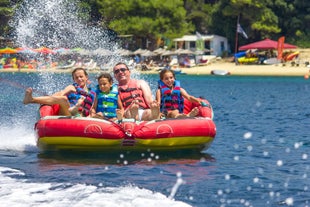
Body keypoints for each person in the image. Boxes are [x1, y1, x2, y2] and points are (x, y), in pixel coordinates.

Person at [23, 67, 96, 117]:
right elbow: (61, 94)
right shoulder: (72, 87)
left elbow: (93, 108)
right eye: (76, 78)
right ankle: (32, 100)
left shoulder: (93, 93)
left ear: (86, 77)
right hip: (67, 113)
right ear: (74, 80)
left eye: (81, 76)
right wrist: (68, 91)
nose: (79, 79)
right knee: (63, 99)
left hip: (82, 117)